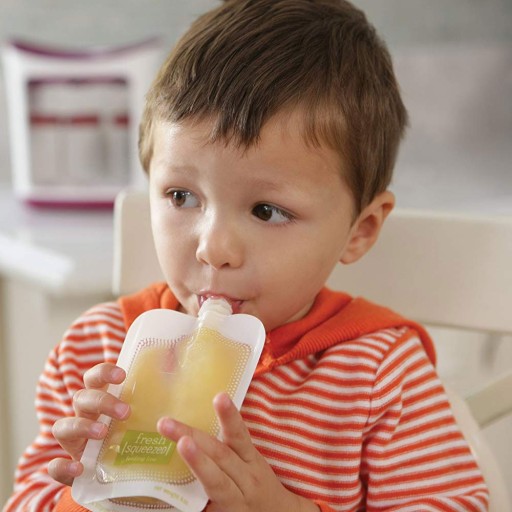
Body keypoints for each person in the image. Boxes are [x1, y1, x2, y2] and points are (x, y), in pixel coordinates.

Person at [4, 1, 489, 511]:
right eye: (181, 197)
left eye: (266, 211)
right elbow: (26, 499)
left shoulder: (377, 375)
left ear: (360, 230)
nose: (213, 248)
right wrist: (85, 494)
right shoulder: (97, 354)